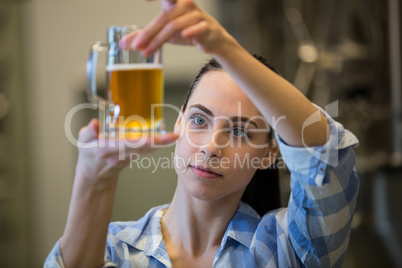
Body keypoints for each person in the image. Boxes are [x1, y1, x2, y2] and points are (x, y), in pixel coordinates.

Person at [45, 0, 359, 267]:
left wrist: (223, 46)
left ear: (269, 154)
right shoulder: (113, 249)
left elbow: (324, 152)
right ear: (179, 122)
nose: (211, 146)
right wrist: (90, 177)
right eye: (199, 120)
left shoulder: (286, 248)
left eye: (239, 131)